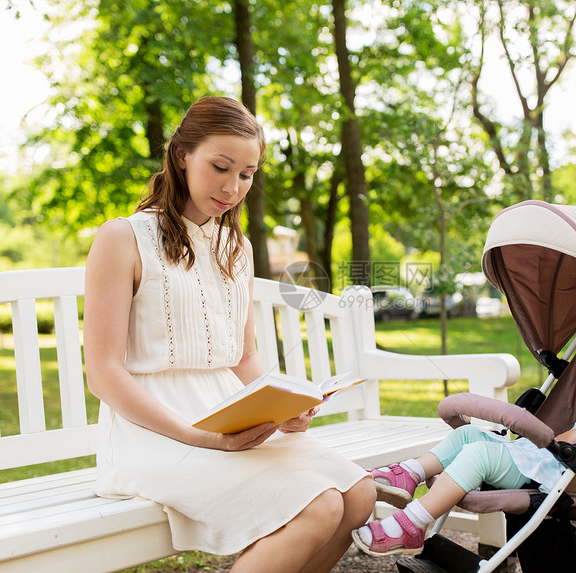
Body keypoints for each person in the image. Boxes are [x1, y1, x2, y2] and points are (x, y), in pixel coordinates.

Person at [84, 95, 376, 572]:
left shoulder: (235, 246)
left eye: (246, 174)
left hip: (228, 420)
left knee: (359, 494)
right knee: (318, 507)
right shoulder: (122, 238)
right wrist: (198, 439)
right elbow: (103, 373)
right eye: (220, 167)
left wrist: (285, 407)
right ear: (182, 156)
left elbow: (244, 357)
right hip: (154, 434)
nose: (233, 186)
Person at [352, 418, 576, 556]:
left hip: (539, 472)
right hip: (527, 452)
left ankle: (413, 524)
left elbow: (571, 441)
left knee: (479, 453)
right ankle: (409, 474)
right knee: (467, 433)